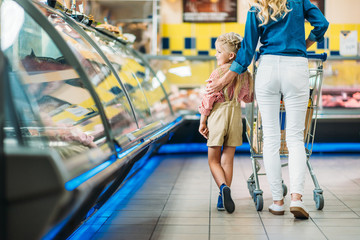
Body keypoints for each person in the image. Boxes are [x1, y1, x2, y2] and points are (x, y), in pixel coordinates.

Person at [206, 0, 328, 219]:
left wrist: (227, 77)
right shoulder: (300, 2)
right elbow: (322, 23)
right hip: (296, 67)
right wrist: (307, 42)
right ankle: (298, 198)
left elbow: (247, 49)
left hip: (268, 68)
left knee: (270, 137)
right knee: (295, 137)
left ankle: (278, 202)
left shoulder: (257, 6)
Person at [198, 32, 253, 213]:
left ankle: (223, 188)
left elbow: (208, 100)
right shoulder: (245, 74)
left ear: (231, 55)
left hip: (218, 115)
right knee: (228, 159)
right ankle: (223, 199)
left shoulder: (218, 73)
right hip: (236, 115)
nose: (215, 55)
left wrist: (203, 121)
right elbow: (249, 97)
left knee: (213, 160)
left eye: (218, 51)